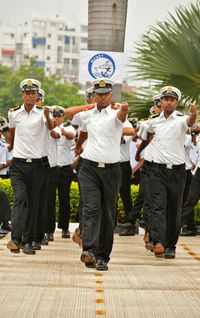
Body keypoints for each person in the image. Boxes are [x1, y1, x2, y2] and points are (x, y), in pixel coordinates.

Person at [75, 78, 129, 271]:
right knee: (90, 208)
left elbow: (122, 119)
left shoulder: (116, 113)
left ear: (111, 95)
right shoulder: (87, 115)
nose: (103, 97)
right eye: (99, 94)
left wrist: (124, 110)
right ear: (94, 95)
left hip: (112, 169)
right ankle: (89, 250)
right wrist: (79, 146)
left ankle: (103, 256)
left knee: (107, 212)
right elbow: (82, 131)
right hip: (89, 167)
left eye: (107, 94)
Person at [139, 86, 197, 259]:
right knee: (158, 206)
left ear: (176, 102)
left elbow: (190, 122)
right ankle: (159, 242)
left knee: (174, 209)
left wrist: (194, 113)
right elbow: (146, 132)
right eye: (166, 99)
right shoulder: (154, 121)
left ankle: (171, 245)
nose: (169, 102)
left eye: (172, 99)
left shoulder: (180, 120)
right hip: (157, 170)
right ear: (161, 102)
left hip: (177, 171)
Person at [7, 78, 53, 255]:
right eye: (27, 93)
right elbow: (12, 131)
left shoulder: (42, 113)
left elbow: (49, 127)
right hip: (18, 163)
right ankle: (15, 239)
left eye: (33, 93)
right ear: (22, 95)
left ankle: (28, 241)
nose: (29, 96)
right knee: (20, 199)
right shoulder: (14, 113)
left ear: (37, 96)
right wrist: (12, 145)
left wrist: (48, 115)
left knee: (33, 203)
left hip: (37, 164)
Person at [50, 106, 76, 238]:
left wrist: (62, 130)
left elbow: (71, 135)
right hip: (52, 168)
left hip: (65, 168)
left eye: (59, 116)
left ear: (63, 117)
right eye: (54, 116)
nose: (57, 118)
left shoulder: (69, 128)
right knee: (50, 199)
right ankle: (49, 230)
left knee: (64, 199)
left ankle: (64, 228)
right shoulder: (48, 127)